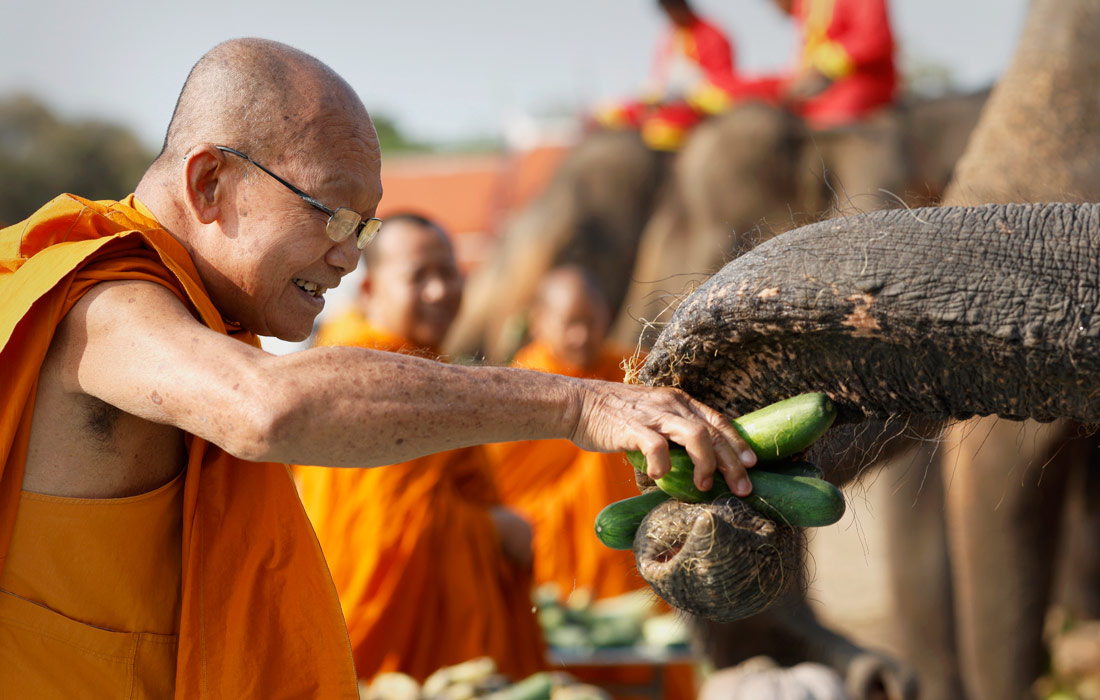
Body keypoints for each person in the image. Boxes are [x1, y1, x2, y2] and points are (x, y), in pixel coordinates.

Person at [0, 38, 756, 697]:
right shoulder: (103, 302)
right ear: (208, 185)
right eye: (328, 213)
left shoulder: (202, 316)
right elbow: (264, 408)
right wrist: (580, 406)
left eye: (363, 225)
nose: (349, 255)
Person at [295, 214, 546, 682]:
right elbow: (388, 528)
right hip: (379, 635)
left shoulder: (422, 364)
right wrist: (493, 530)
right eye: (418, 277)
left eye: (448, 274)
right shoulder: (362, 367)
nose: (439, 292)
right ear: (369, 290)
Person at [486, 266, 643, 600]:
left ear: (607, 316)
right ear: (539, 322)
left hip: (628, 559)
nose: (581, 336)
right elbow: (497, 490)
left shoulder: (633, 372)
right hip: (544, 566)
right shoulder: (516, 388)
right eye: (571, 324)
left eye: (590, 322)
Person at [770, 0, 906, 213]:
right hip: (814, 117)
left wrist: (823, 65)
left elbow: (874, 38)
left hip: (857, 114)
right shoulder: (805, 7)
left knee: (858, 211)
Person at [595, 0, 773, 151]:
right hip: (667, 102)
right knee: (612, 114)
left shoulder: (713, 33)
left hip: (699, 107)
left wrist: (691, 90)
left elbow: (722, 82)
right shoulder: (671, 36)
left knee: (663, 130)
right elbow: (661, 77)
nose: (671, 17)